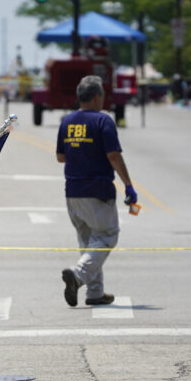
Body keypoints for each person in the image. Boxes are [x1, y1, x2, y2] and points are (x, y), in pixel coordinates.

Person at [56, 75, 138, 307]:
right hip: (97, 190)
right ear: (95, 97)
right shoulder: (103, 121)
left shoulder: (67, 121)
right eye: (102, 95)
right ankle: (78, 275)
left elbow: (61, 157)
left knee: (89, 243)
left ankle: (95, 293)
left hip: (73, 192)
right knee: (107, 235)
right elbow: (113, 155)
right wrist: (128, 185)